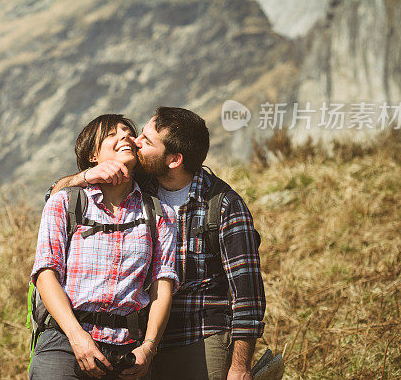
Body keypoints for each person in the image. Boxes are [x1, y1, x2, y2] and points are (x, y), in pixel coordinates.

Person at [50, 107, 265, 380]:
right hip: (137, 337)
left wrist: (240, 367)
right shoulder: (139, 184)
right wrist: (84, 176)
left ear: (174, 159)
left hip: (198, 334)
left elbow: (248, 293)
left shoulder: (224, 205)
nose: (135, 142)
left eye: (147, 141)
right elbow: (55, 196)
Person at [30, 114, 178, 379]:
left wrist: (149, 347)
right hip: (64, 342)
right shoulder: (65, 202)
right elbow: (45, 274)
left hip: (128, 351)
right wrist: (77, 337)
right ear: (92, 155)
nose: (124, 136)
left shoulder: (160, 213)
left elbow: (162, 285)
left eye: (127, 131)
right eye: (111, 133)